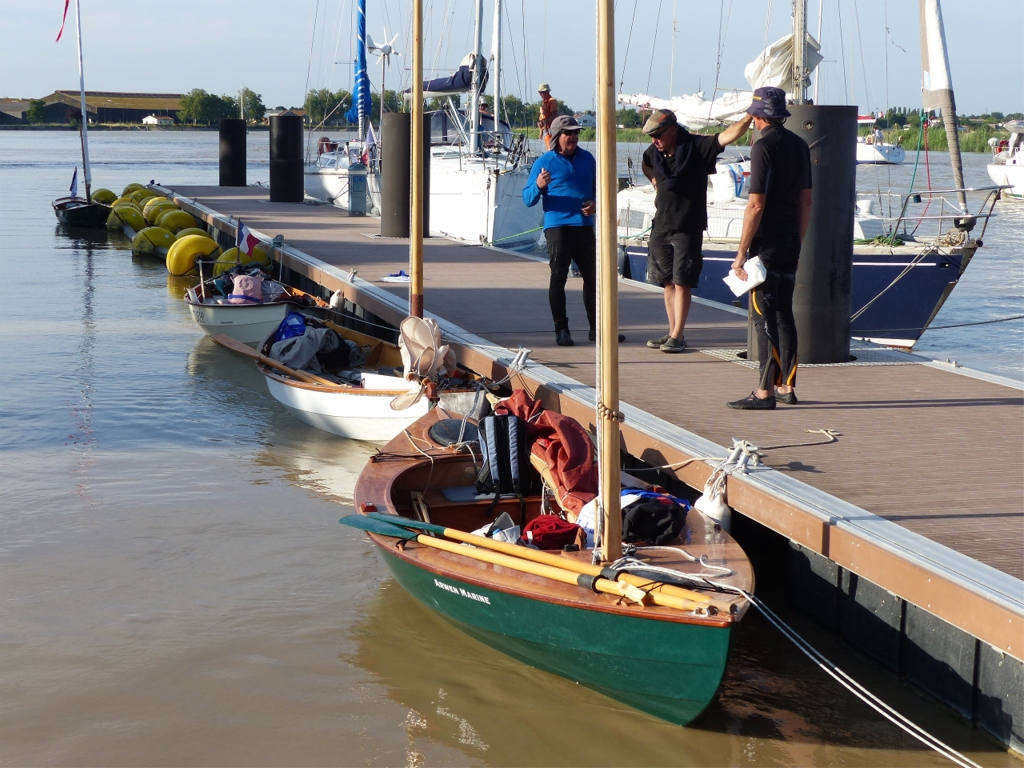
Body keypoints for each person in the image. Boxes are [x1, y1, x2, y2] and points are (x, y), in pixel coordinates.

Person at [726, 86, 813, 410]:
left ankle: (764, 391)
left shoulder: (763, 147)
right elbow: (807, 201)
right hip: (790, 239)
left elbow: (756, 205)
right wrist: (798, 241)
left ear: (758, 116)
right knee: (785, 314)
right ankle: (787, 387)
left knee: (764, 318)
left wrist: (741, 254)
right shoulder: (800, 145)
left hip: (766, 244)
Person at [641, 109, 753, 353]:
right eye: (652, 136)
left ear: (672, 130)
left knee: (682, 282)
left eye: (658, 135)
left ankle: (678, 337)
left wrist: (748, 118)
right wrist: (654, 182)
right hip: (661, 224)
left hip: (688, 226)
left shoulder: (696, 147)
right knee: (667, 282)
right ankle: (672, 332)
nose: (655, 141)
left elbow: (726, 137)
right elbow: (646, 163)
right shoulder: (654, 153)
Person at [523, 115, 624, 347]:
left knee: (593, 277)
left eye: (576, 132)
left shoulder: (588, 159)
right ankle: (561, 329)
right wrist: (539, 186)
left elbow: (601, 190)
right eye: (569, 133)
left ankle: (597, 329)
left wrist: (596, 204)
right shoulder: (544, 162)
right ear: (558, 136)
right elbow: (527, 199)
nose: (574, 137)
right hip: (557, 226)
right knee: (558, 277)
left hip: (584, 226)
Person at [537, 84, 559, 151]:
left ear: (548, 92)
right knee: (546, 150)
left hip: (550, 129)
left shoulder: (552, 101)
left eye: (543, 92)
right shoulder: (544, 102)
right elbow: (543, 117)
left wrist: (545, 123)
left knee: (549, 150)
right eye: (540, 92)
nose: (541, 94)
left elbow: (554, 115)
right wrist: (541, 130)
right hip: (545, 130)